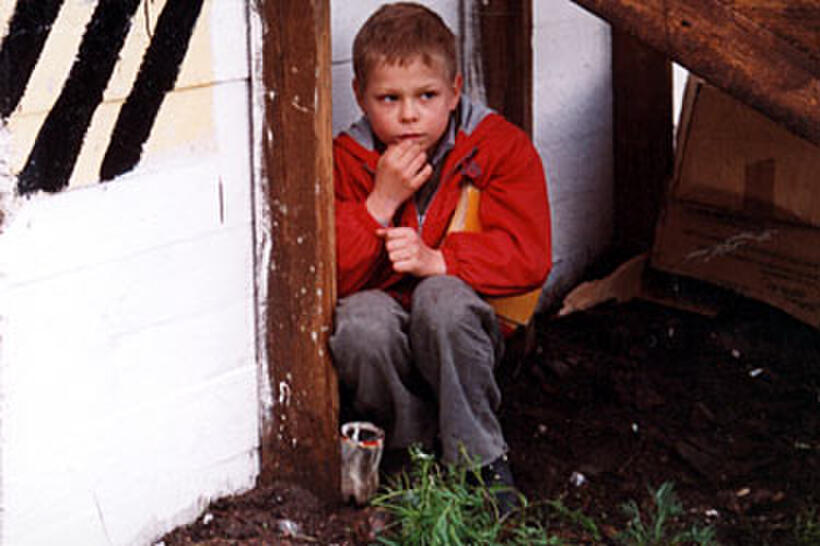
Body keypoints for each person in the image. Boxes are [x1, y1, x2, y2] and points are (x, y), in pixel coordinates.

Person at [330, 1, 551, 507]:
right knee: (361, 322)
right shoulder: (348, 159)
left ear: (454, 92)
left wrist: (442, 260)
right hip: (390, 327)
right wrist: (379, 203)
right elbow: (333, 278)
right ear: (360, 97)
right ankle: (408, 457)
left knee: (441, 300)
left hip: (466, 326)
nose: (408, 114)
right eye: (389, 98)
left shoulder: (497, 146)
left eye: (426, 95)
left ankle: (479, 462)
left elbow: (530, 254)